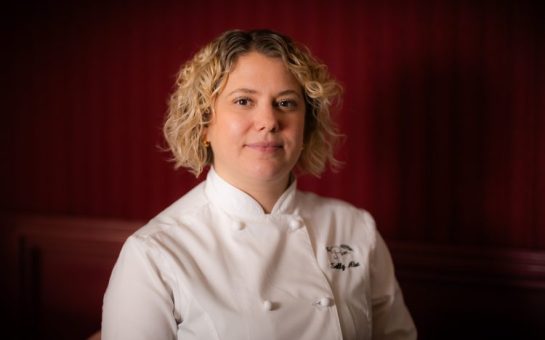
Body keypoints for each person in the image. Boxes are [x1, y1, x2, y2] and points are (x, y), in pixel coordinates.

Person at [101, 28, 417, 340]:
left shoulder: (353, 227)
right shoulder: (155, 253)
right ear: (203, 124)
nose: (268, 120)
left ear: (306, 127)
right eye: (243, 101)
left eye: (286, 103)